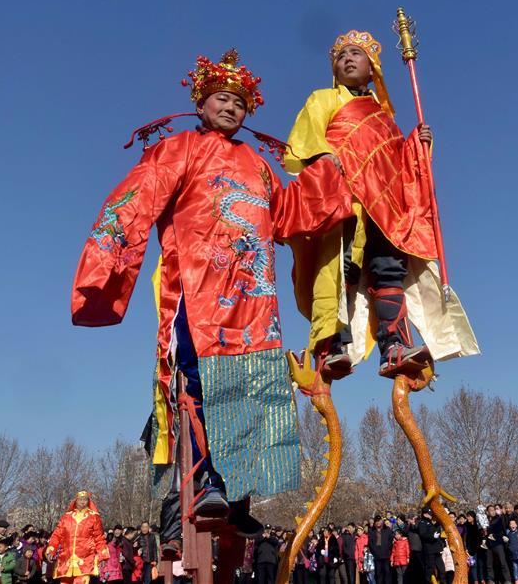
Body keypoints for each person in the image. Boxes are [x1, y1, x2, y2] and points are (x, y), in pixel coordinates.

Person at [71, 49, 351, 548]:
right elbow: (136, 199)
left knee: (260, 391)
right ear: (201, 105)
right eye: (222, 99)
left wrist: (338, 169)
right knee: (200, 385)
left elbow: (287, 214)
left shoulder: (259, 166)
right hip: (198, 295)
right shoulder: (177, 150)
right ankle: (204, 486)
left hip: (255, 300)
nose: (231, 108)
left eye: (240, 103)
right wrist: (105, 264)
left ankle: (237, 494)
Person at [284, 29, 478, 380]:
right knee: (341, 270)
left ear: (372, 66)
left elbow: (397, 164)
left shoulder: (383, 115)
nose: (348, 59)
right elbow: (306, 137)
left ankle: (394, 345)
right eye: (342, 55)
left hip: (385, 207)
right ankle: (332, 347)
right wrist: (326, 154)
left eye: (356, 54)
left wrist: (417, 146)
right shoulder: (323, 99)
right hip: (344, 198)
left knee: (389, 268)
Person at [45, 491, 109, 584]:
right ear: (76, 501)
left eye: (85, 499)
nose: (82, 502)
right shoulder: (66, 517)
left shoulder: (94, 517)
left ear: (88, 501)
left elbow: (99, 538)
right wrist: (51, 550)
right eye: (80, 499)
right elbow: (57, 535)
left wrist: (103, 557)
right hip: (66, 559)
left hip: (85, 559)